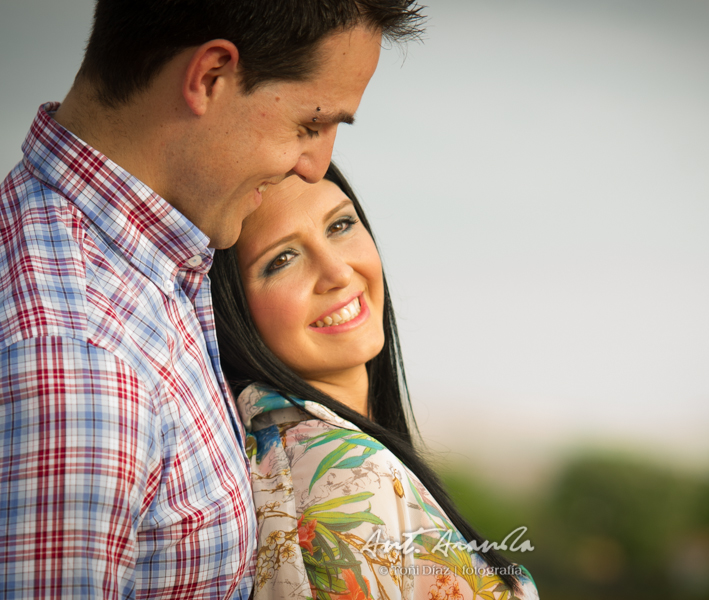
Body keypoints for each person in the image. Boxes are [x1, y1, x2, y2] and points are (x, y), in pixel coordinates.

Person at [0, 1, 423, 598]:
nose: (316, 164)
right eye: (310, 124)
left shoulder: (157, 266)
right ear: (210, 77)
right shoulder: (80, 359)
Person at [209, 165, 540, 599]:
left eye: (341, 225)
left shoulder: (282, 447)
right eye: (282, 259)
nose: (338, 273)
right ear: (235, 309)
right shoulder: (353, 477)